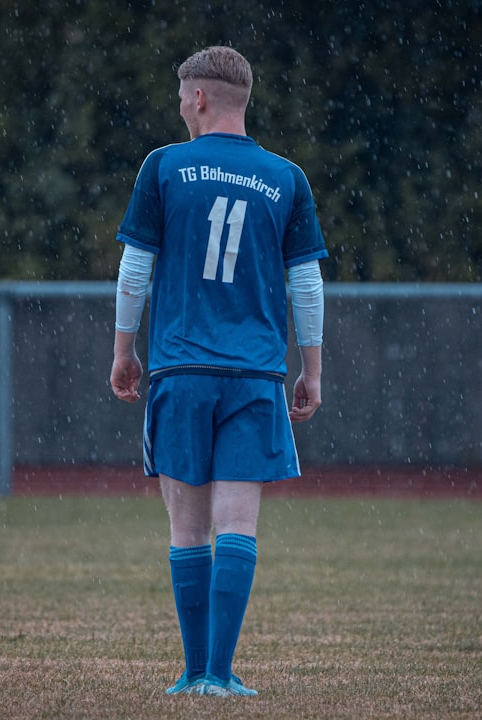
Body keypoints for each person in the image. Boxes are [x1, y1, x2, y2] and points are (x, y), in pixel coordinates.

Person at [109, 45, 327, 698]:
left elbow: (135, 269)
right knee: (238, 523)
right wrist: (312, 369)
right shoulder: (286, 178)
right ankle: (222, 676)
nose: (179, 105)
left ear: (199, 97)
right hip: (255, 375)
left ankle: (193, 672)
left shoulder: (164, 168)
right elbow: (307, 284)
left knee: (187, 528)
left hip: (182, 368)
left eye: (182, 95)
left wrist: (123, 350)